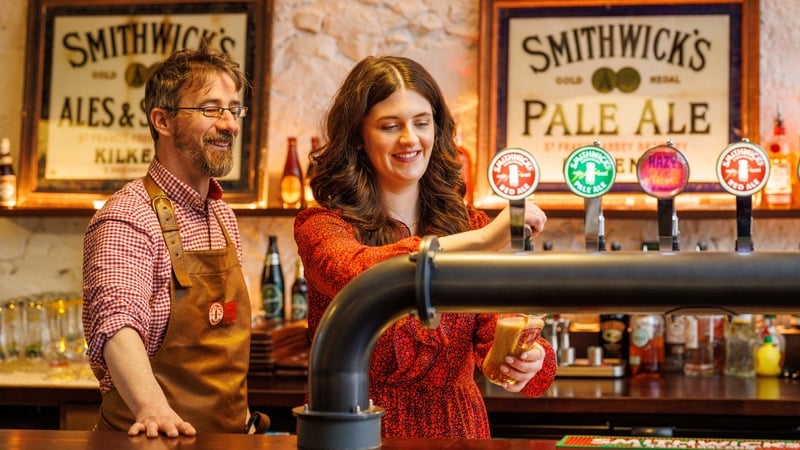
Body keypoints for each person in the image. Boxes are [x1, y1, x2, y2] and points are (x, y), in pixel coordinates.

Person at [294, 55, 557, 439]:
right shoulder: (322, 225)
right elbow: (353, 273)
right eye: (389, 126)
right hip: (356, 429)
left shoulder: (469, 223)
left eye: (422, 122)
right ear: (357, 136)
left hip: (458, 431)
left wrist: (528, 358)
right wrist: (482, 242)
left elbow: (498, 329)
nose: (410, 139)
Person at [82, 40, 267, 437]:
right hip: (153, 441)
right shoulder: (126, 216)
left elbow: (221, 353)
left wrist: (243, 418)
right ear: (162, 121)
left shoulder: (222, 216)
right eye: (210, 108)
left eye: (233, 109)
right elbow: (117, 325)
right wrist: (152, 411)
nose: (230, 123)